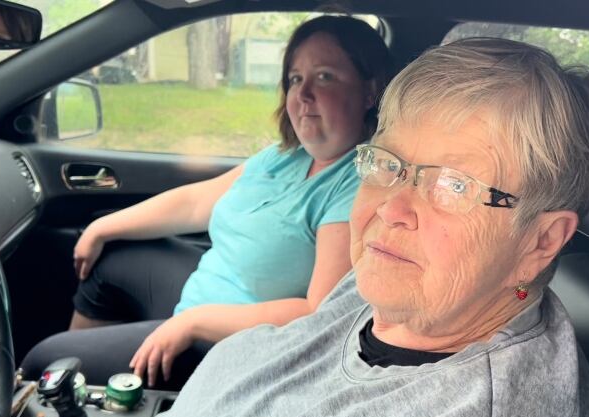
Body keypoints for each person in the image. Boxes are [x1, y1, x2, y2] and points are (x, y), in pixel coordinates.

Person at [101, 37, 589, 417]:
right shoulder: (421, 285)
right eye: (388, 163)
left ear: (541, 240)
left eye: (455, 186)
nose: (391, 208)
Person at [21, 15, 395, 388]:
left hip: (231, 344)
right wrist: (103, 227)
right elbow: (197, 203)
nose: (303, 94)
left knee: (47, 361)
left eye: (325, 76)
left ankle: (78, 398)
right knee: (109, 258)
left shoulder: (355, 185)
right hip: (204, 296)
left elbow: (317, 313)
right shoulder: (286, 156)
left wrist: (192, 323)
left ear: (369, 91)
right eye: (296, 79)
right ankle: (98, 401)